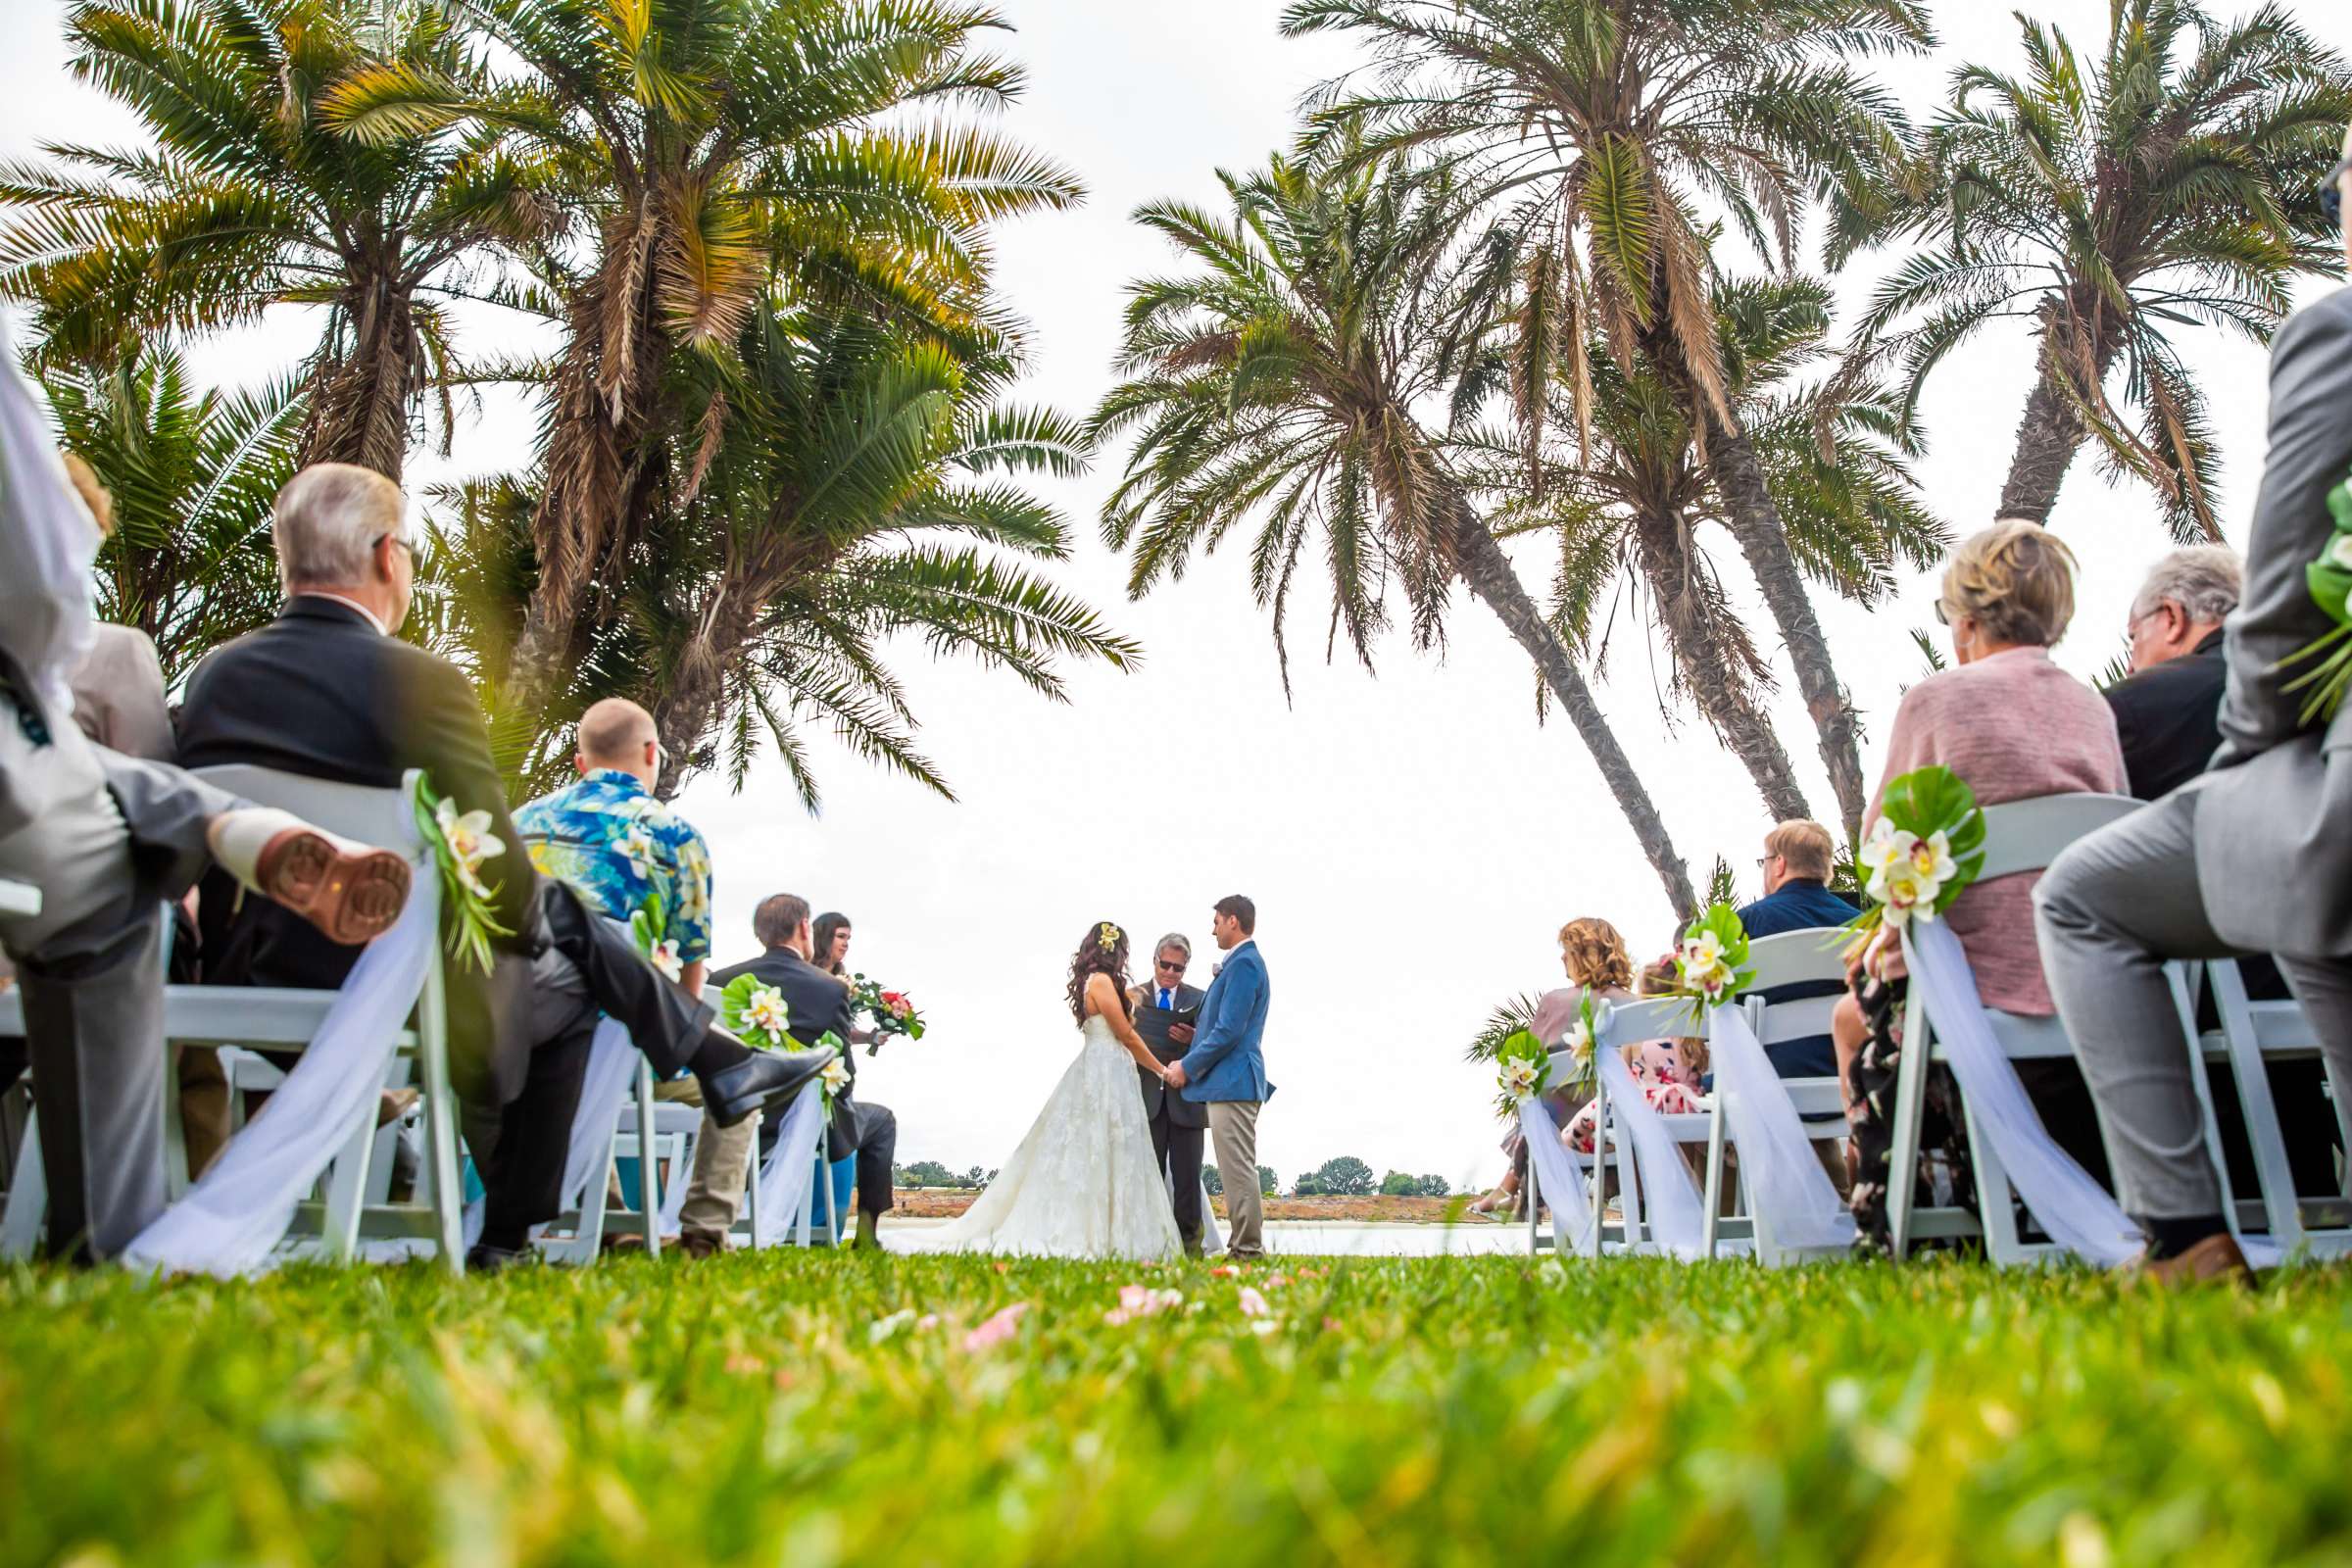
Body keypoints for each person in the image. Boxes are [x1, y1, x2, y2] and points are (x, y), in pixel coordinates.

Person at [175, 464, 824, 1269]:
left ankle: (712, 1070)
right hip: (393, 990)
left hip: (237, 983)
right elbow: (508, 896)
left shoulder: (214, 679)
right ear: (387, 557)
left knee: (565, 930)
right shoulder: (421, 685)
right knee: (573, 963)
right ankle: (510, 1233)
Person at [2035, 130, 2352, 1286]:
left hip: (2317, 812)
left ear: (2169, 624)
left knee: (2085, 897)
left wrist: (2250, 751)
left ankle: (2182, 1238)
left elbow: (2294, 576)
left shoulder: (2339, 330)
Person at [0, 409, 414, 1261]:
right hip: (76, 871)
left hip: (208, 941)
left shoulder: (221, 670)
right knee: (130, 897)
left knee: (119, 846)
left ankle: (239, 827)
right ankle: (243, 833)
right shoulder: (108, 651)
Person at [1833, 519, 2128, 1254]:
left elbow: (1881, 850)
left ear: (1965, 620)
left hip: (1968, 985)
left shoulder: (1936, 700)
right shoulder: (2094, 708)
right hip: (2089, 976)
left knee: (1860, 1000)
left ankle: (1898, 1202)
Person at [514, 698, 742, 1254]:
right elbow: (692, 965)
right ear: (650, 754)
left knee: (579, 1079)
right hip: (633, 1031)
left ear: (579, 762)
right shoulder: (674, 836)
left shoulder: (522, 824)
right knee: (736, 1080)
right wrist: (674, 1038)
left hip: (523, 1032)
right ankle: (704, 1230)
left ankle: (614, 1220)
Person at [898, 921, 1181, 1260]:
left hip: (1112, 1073)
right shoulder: (1102, 981)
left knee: (1110, 1150)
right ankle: (1094, 1232)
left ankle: (1112, 1230)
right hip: (1104, 1073)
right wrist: (1162, 1069)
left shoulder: (1100, 983)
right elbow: (1126, 1034)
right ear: (1117, 951)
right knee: (1093, 1150)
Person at [710, 894, 897, 1250]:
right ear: (802, 929)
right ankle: (867, 1237)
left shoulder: (721, 979)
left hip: (731, 1112)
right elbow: (843, 1073)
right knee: (882, 1120)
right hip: (801, 1120)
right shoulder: (829, 988)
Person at [1470, 915, 1632, 1218]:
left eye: (1567, 950)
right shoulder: (1636, 1003)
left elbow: (1529, 1064)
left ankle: (1510, 1186)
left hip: (1566, 1133)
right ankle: (1508, 1187)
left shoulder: (1556, 1003)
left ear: (1585, 955)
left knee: (1539, 1098)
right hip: (1626, 1129)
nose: (1562, 957)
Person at [1164, 896, 1273, 1259]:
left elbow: (1229, 1032)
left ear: (1232, 921)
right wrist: (1195, 1037)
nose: (1212, 929)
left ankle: (1248, 1250)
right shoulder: (1241, 964)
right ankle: (1242, 1245)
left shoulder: (1244, 964)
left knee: (1238, 1168)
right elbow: (1231, 1027)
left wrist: (1187, 1065)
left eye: (1215, 921)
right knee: (1233, 1168)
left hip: (1235, 1082)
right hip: (1230, 1081)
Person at [2105, 546, 2242, 802]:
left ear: (2172, 618)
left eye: (2133, 638)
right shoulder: (2311, 671)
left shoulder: (2133, 706)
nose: (2129, 667)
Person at [1736, 818, 1862, 1080]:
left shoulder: (1745, 924)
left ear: (1779, 863)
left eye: (1765, 862)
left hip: (1764, 1080)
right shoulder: (1862, 927)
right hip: (1853, 1078)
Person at [1128, 932, 1208, 1255]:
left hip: (1187, 1100)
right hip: (1146, 1100)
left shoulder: (1202, 999)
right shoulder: (1132, 995)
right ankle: (1146, 1246)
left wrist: (1194, 1039)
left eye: (1179, 968)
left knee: (1188, 1178)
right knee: (1147, 1178)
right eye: (1166, 965)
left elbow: (1217, 1042)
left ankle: (1191, 1249)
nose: (1171, 973)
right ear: (1154, 960)